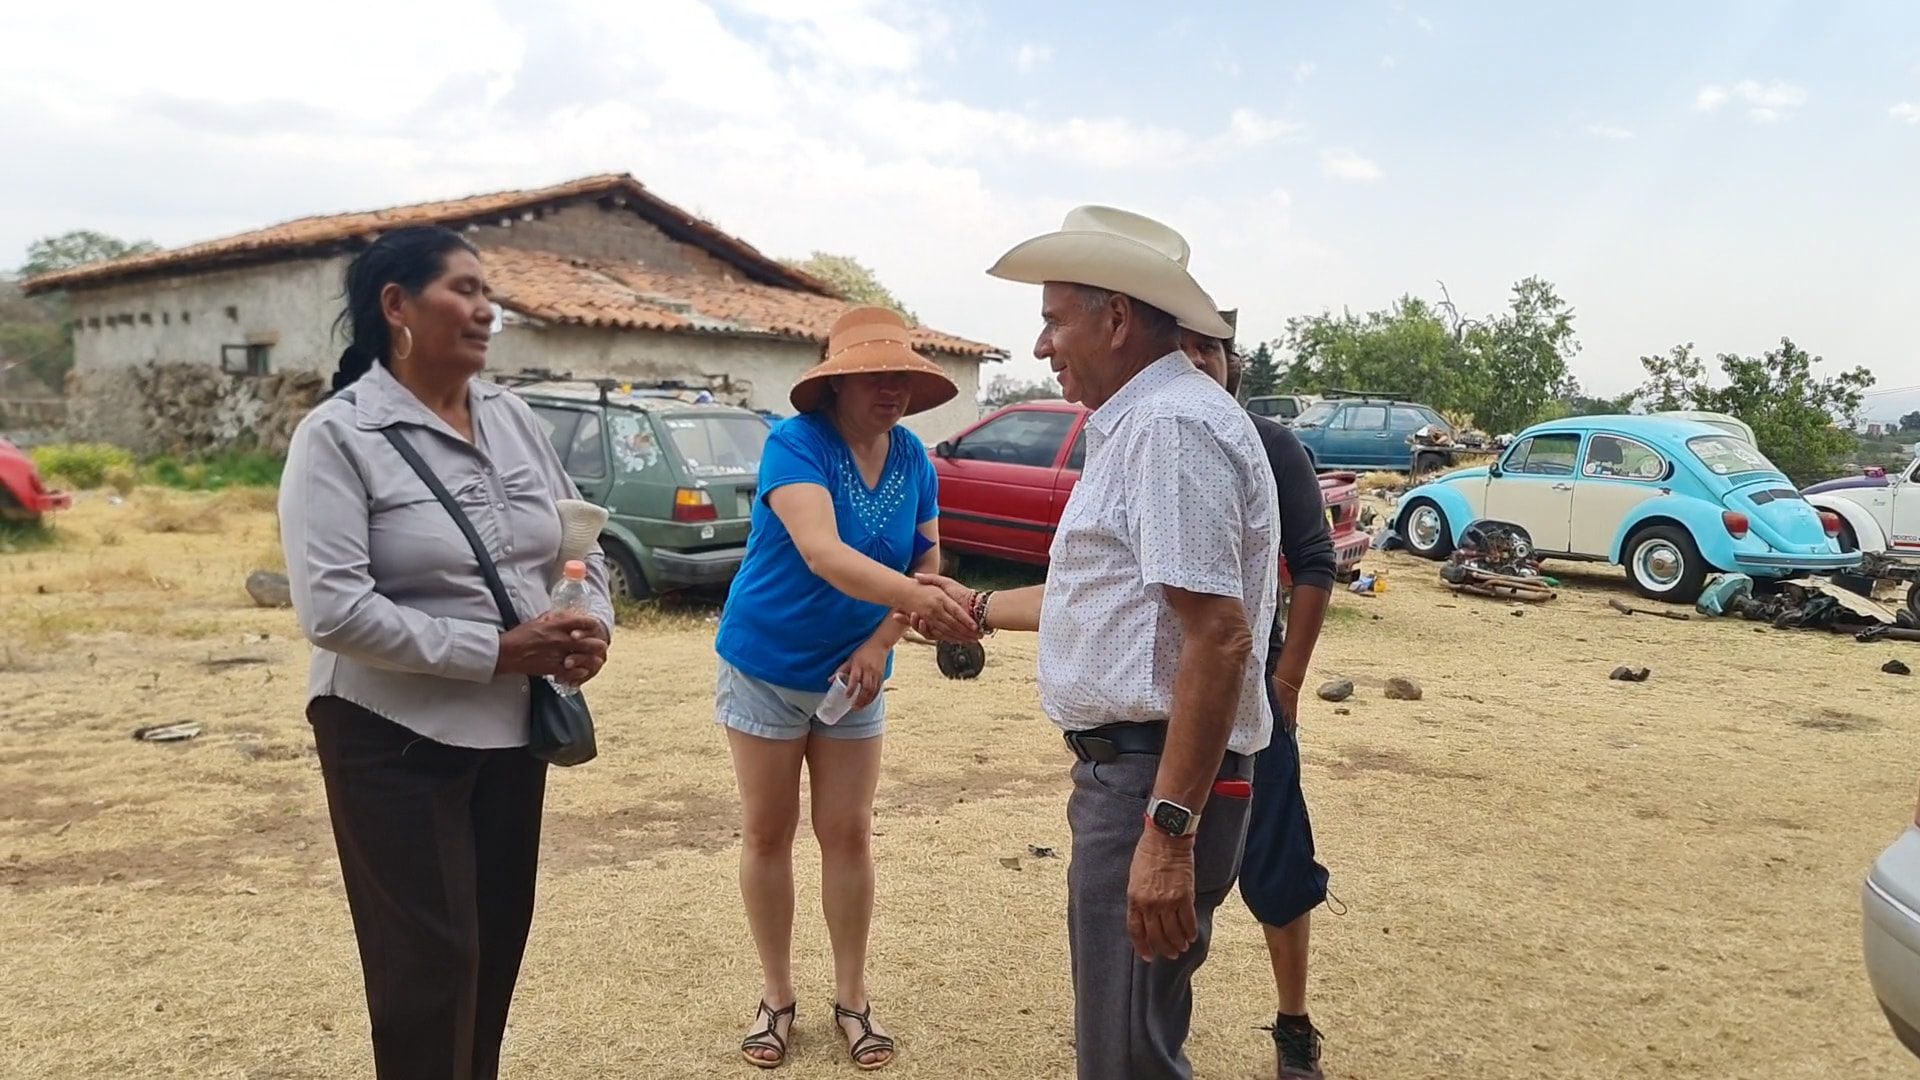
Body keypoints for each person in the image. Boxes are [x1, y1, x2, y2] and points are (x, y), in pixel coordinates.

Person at [914, 206, 1280, 1079]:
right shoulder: (1149, 422)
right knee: (1132, 1038)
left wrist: (1167, 832)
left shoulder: (1168, 429)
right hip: (1143, 775)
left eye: (1053, 319)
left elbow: (1219, 639)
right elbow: (1110, 601)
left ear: (1116, 319)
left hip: (1152, 781)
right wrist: (972, 603)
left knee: (1126, 1056)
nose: (1042, 346)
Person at [279, 225, 615, 1080]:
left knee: (493, 947)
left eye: (486, 292)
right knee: (427, 967)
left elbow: (580, 541)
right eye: (463, 289)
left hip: (511, 735)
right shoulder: (339, 435)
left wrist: (588, 622)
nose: (484, 308)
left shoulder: (513, 418)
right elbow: (333, 609)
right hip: (389, 733)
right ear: (398, 306)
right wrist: (497, 651)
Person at [712, 305, 978, 1071]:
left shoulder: (915, 461)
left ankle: (853, 999)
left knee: (848, 832)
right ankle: (776, 996)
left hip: (857, 676)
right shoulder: (795, 444)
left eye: (901, 375)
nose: (889, 388)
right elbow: (823, 552)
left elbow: (926, 562)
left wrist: (883, 638)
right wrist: (925, 601)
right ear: (836, 383)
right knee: (768, 832)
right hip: (766, 664)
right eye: (872, 375)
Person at [1181, 316, 1337, 1080]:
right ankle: (1145, 1023)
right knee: (1163, 857)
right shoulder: (1145, 440)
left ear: (1231, 364)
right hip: (1160, 695)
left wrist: (1287, 681)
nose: (1196, 362)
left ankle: (1293, 1024)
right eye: (1180, 347)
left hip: (1253, 687)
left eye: (1209, 349)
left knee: (1275, 861)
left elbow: (1314, 562)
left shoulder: (1268, 444)